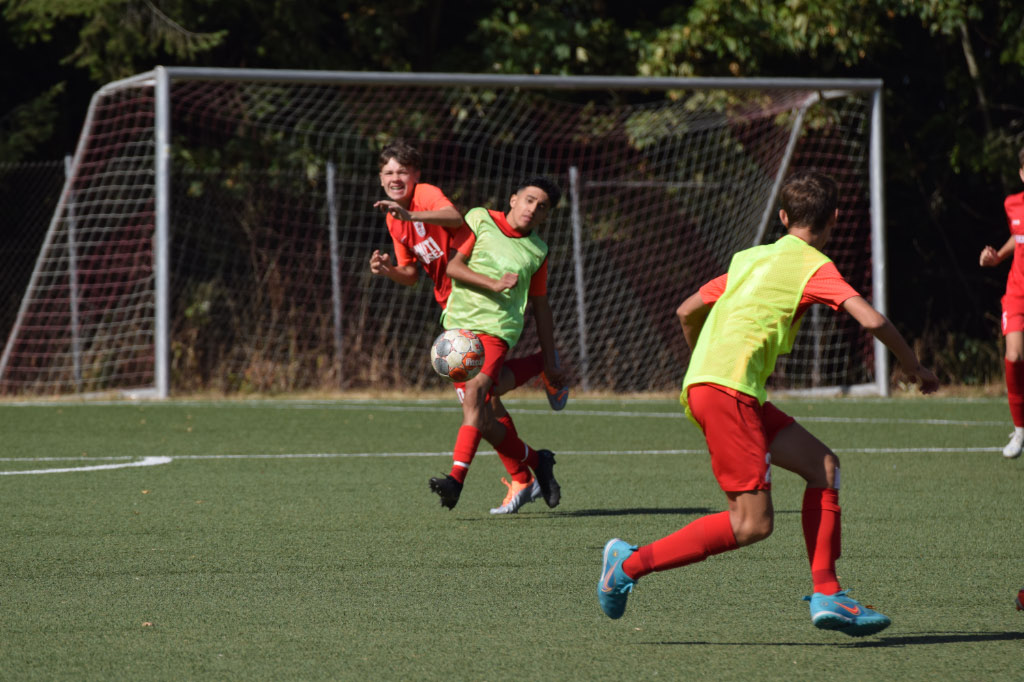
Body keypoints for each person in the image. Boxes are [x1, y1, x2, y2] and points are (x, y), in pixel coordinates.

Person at [597, 171, 940, 637]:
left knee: (824, 466)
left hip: (720, 386)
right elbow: (873, 319)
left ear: (782, 217)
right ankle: (626, 567)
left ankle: (828, 593)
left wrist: (703, 361)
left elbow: (685, 310)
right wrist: (914, 367)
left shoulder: (748, 258)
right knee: (751, 524)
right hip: (728, 391)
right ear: (835, 219)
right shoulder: (815, 266)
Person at [369, 142, 567, 514]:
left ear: (415, 175)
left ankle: (469, 479)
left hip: (481, 314)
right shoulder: (393, 219)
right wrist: (387, 271)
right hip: (454, 309)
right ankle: (532, 465)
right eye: (389, 173)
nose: (396, 178)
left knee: (477, 399)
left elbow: (451, 214)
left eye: (402, 172)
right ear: (380, 179)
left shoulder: (422, 197)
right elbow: (411, 273)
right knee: (484, 410)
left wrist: (410, 213)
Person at [428, 176, 568, 512]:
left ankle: (455, 480)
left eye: (542, 207)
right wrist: (494, 283)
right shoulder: (480, 218)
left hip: (495, 331)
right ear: (514, 198)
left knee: (475, 396)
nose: (533, 209)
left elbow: (540, 305)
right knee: (486, 418)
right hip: (458, 330)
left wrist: (552, 358)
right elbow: (454, 268)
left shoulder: (538, 250)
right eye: (530, 200)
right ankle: (539, 460)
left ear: (546, 217)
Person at [979, 145, 1024, 459]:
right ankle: (1021, 430)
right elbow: (1018, 236)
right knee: (1014, 356)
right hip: (1017, 292)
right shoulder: (1013, 204)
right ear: (1022, 173)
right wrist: (997, 258)